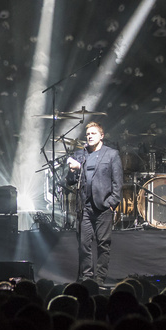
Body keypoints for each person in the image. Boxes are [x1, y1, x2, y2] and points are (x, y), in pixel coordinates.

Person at [66, 121, 123, 285]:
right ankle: (87, 277)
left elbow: (118, 182)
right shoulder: (81, 154)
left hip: (103, 206)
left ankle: (99, 278)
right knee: (84, 244)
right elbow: (70, 181)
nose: (90, 136)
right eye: (88, 134)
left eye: (93, 133)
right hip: (85, 207)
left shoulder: (111, 154)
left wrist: (112, 202)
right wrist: (71, 171)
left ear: (101, 135)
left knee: (103, 244)